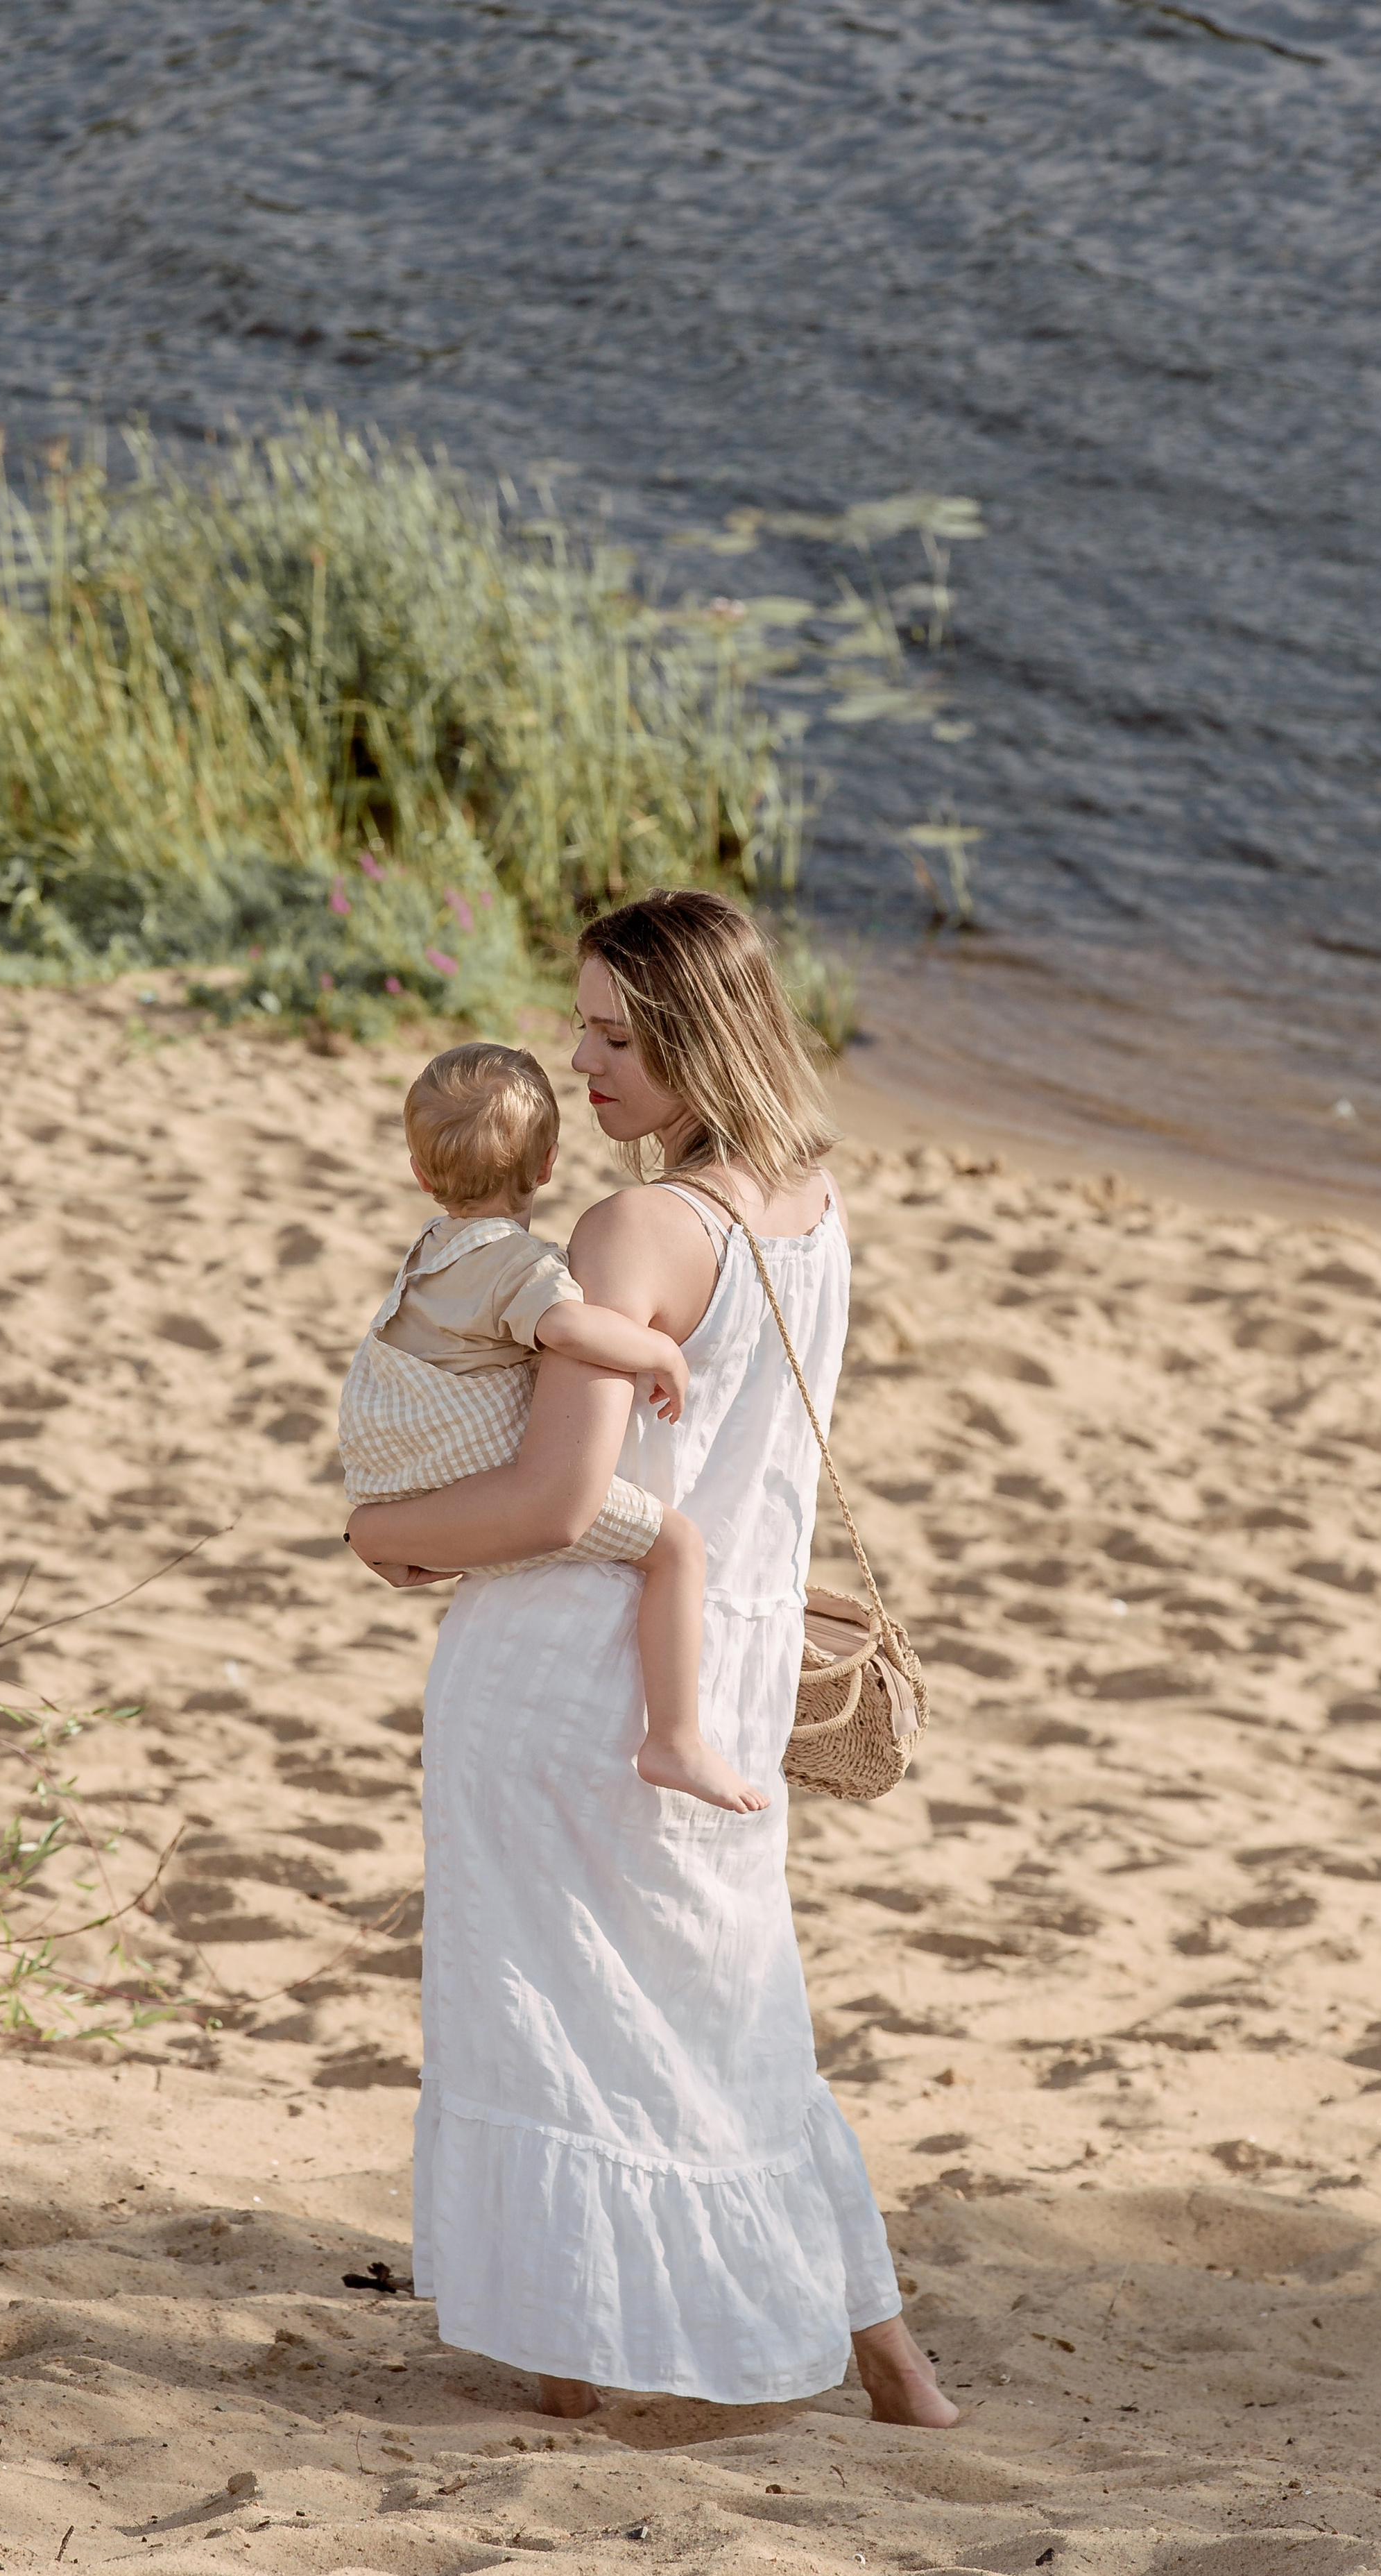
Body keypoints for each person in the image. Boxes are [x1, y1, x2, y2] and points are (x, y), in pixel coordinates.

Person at [347, 890, 954, 2427]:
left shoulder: (631, 1229)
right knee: (736, 2011)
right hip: (721, 1668)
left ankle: (572, 2371)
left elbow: (559, 1502)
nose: (582, 1064)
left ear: (698, 1036)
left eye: (616, 1038)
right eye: (581, 1029)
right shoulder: (811, 1205)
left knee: (553, 2022)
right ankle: (894, 2366)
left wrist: (383, 1528)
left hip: (568, 1676)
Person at [339, 1042, 764, 1815]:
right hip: (470, 1464)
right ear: (547, 1165)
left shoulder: (433, 1251)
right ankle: (674, 1738)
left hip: (401, 1465)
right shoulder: (519, 1265)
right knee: (678, 1546)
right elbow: (566, 1327)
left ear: (421, 1174)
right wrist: (656, 1350)